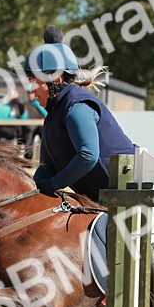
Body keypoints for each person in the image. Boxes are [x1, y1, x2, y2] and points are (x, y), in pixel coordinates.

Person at [24, 26, 136, 199]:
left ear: (55, 79)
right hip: (103, 199)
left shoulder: (77, 108)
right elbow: (46, 168)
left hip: (129, 199)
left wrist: (53, 184)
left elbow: (88, 156)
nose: (31, 90)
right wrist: (30, 191)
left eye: (34, 81)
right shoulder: (52, 116)